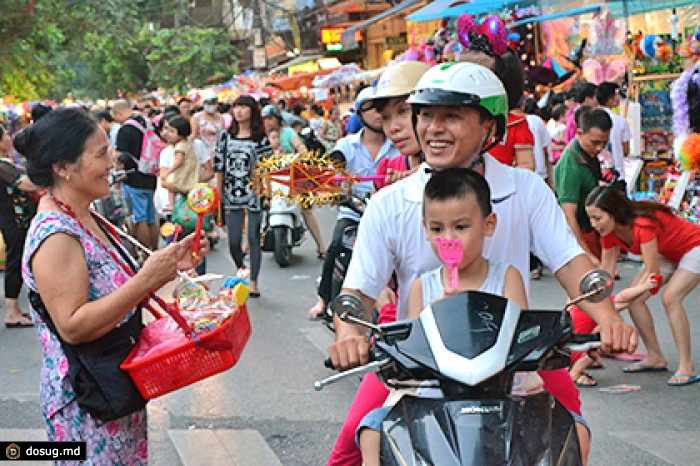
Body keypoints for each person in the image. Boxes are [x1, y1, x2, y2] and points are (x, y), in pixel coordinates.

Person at [329, 62, 637, 464]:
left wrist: (608, 318)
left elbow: (570, 263)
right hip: (417, 367)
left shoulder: (525, 190)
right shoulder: (390, 203)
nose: (433, 128)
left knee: (572, 439)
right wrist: (348, 336)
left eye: (451, 116)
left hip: (517, 360)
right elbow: (359, 291)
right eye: (426, 115)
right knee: (349, 452)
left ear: (490, 127)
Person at [16, 108, 206, 463]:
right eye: (101, 154)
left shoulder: (85, 212)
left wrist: (168, 265)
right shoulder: (56, 234)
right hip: (86, 403)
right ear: (63, 167)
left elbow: (115, 287)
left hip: (113, 390)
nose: (112, 161)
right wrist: (148, 278)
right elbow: (73, 326)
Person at [358, 167, 529, 466]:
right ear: (425, 229)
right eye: (437, 229)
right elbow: (414, 350)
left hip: (502, 392)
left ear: (488, 225)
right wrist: (435, 315)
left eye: (461, 227)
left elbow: (521, 334)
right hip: (432, 396)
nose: (448, 238)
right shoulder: (423, 286)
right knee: (373, 429)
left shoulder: (507, 278)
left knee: (574, 427)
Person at [586, 185, 700, 386]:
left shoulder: (642, 224)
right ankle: (655, 357)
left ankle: (686, 366)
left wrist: (616, 304)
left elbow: (652, 274)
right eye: (590, 218)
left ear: (614, 213)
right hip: (668, 252)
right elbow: (606, 274)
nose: (593, 224)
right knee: (635, 301)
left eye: (597, 218)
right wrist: (593, 306)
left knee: (671, 299)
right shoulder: (608, 232)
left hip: (694, 246)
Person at [306, 85, 401, 319]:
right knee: (337, 243)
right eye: (373, 110)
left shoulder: (400, 145)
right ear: (360, 114)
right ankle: (323, 298)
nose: (379, 115)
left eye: (385, 111)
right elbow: (332, 173)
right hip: (354, 209)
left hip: (387, 211)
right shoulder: (346, 146)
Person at [215, 96, 272, 297]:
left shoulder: (261, 138)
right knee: (232, 241)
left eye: (244, 107)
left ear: (252, 111)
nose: (239, 111)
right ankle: (241, 267)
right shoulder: (225, 137)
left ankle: (254, 281)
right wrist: (218, 195)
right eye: (236, 107)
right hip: (231, 193)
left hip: (254, 192)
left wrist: (268, 193)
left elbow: (267, 168)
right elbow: (219, 167)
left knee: (254, 237)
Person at [261, 104, 327, 258]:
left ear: (277, 119)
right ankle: (251, 246)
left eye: (270, 118)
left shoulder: (289, 132)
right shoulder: (262, 137)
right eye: (265, 119)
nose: (268, 122)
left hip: (292, 175)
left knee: (306, 210)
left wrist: (304, 155)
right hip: (271, 178)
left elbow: (300, 146)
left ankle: (322, 247)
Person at [555, 107, 613, 264]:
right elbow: (569, 214)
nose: (600, 148)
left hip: (593, 231)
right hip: (581, 234)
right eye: (595, 143)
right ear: (579, 133)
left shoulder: (588, 154)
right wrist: (586, 252)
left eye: (604, 143)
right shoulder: (570, 164)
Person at [0, 124, 38, 327]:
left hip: (17, 220)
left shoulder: (6, 163)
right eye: (5, 135)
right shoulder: (2, 166)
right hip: (14, 221)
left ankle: (15, 310)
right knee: (15, 263)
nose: (8, 138)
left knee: (17, 262)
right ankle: (11, 313)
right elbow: (27, 184)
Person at [112, 100, 159, 251]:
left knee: (140, 219)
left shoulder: (124, 130)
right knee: (152, 218)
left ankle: (146, 255)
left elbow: (121, 158)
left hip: (134, 178)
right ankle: (154, 250)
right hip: (151, 175)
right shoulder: (146, 122)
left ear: (119, 113)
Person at [160, 115, 199, 210]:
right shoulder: (188, 141)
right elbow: (193, 135)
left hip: (182, 177)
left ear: (181, 134)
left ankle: (171, 205)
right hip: (191, 176)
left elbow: (179, 161)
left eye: (172, 132)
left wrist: (168, 172)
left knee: (168, 185)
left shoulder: (179, 146)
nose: (168, 134)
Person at [597, 81, 631, 181]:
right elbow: (626, 151)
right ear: (610, 98)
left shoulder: (589, 119)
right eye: (615, 95)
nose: (617, 98)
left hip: (598, 175)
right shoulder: (621, 121)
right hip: (617, 174)